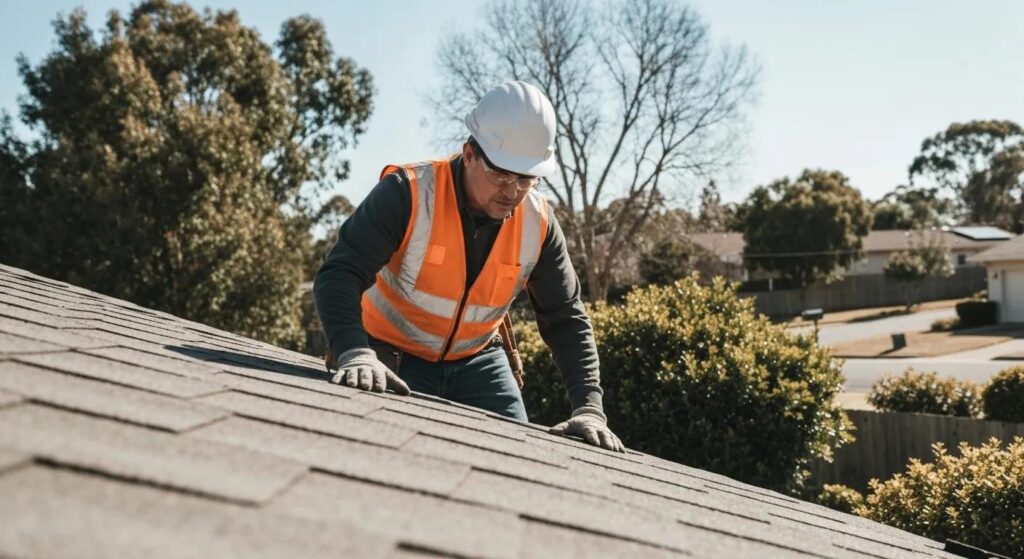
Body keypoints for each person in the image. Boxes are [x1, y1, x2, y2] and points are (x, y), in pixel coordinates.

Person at [313, 80, 623, 452]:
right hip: (389, 355)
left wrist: (589, 409)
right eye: (503, 174)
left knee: (516, 460)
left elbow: (566, 317)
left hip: (478, 364)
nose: (513, 191)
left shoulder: (538, 222)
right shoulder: (407, 192)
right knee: (379, 450)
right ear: (470, 153)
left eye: (526, 178)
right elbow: (339, 274)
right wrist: (353, 351)